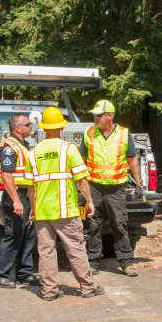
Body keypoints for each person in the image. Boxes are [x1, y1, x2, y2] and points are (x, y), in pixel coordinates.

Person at [27, 107, 104, 301]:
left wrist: (34, 207)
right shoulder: (69, 149)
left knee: (46, 252)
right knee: (75, 248)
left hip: (42, 210)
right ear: (61, 127)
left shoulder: (34, 152)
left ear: (44, 129)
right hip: (65, 209)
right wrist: (89, 201)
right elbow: (81, 179)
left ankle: (49, 291)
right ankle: (88, 287)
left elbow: (30, 185)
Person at [79, 100, 144, 277]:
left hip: (116, 188)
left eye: (99, 115)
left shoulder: (124, 134)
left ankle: (126, 262)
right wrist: (79, 184)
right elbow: (81, 160)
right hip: (94, 186)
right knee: (93, 226)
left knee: (119, 224)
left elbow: (132, 160)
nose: (95, 118)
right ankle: (92, 262)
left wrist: (138, 182)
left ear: (110, 116)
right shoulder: (89, 132)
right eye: (94, 115)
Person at [0, 114, 39, 288]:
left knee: (29, 236)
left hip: (26, 196)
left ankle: (25, 274)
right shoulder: (9, 148)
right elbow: (7, 175)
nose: (31, 127)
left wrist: (32, 203)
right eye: (28, 124)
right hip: (16, 197)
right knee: (13, 235)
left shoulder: (22, 146)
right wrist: (16, 201)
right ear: (17, 128)